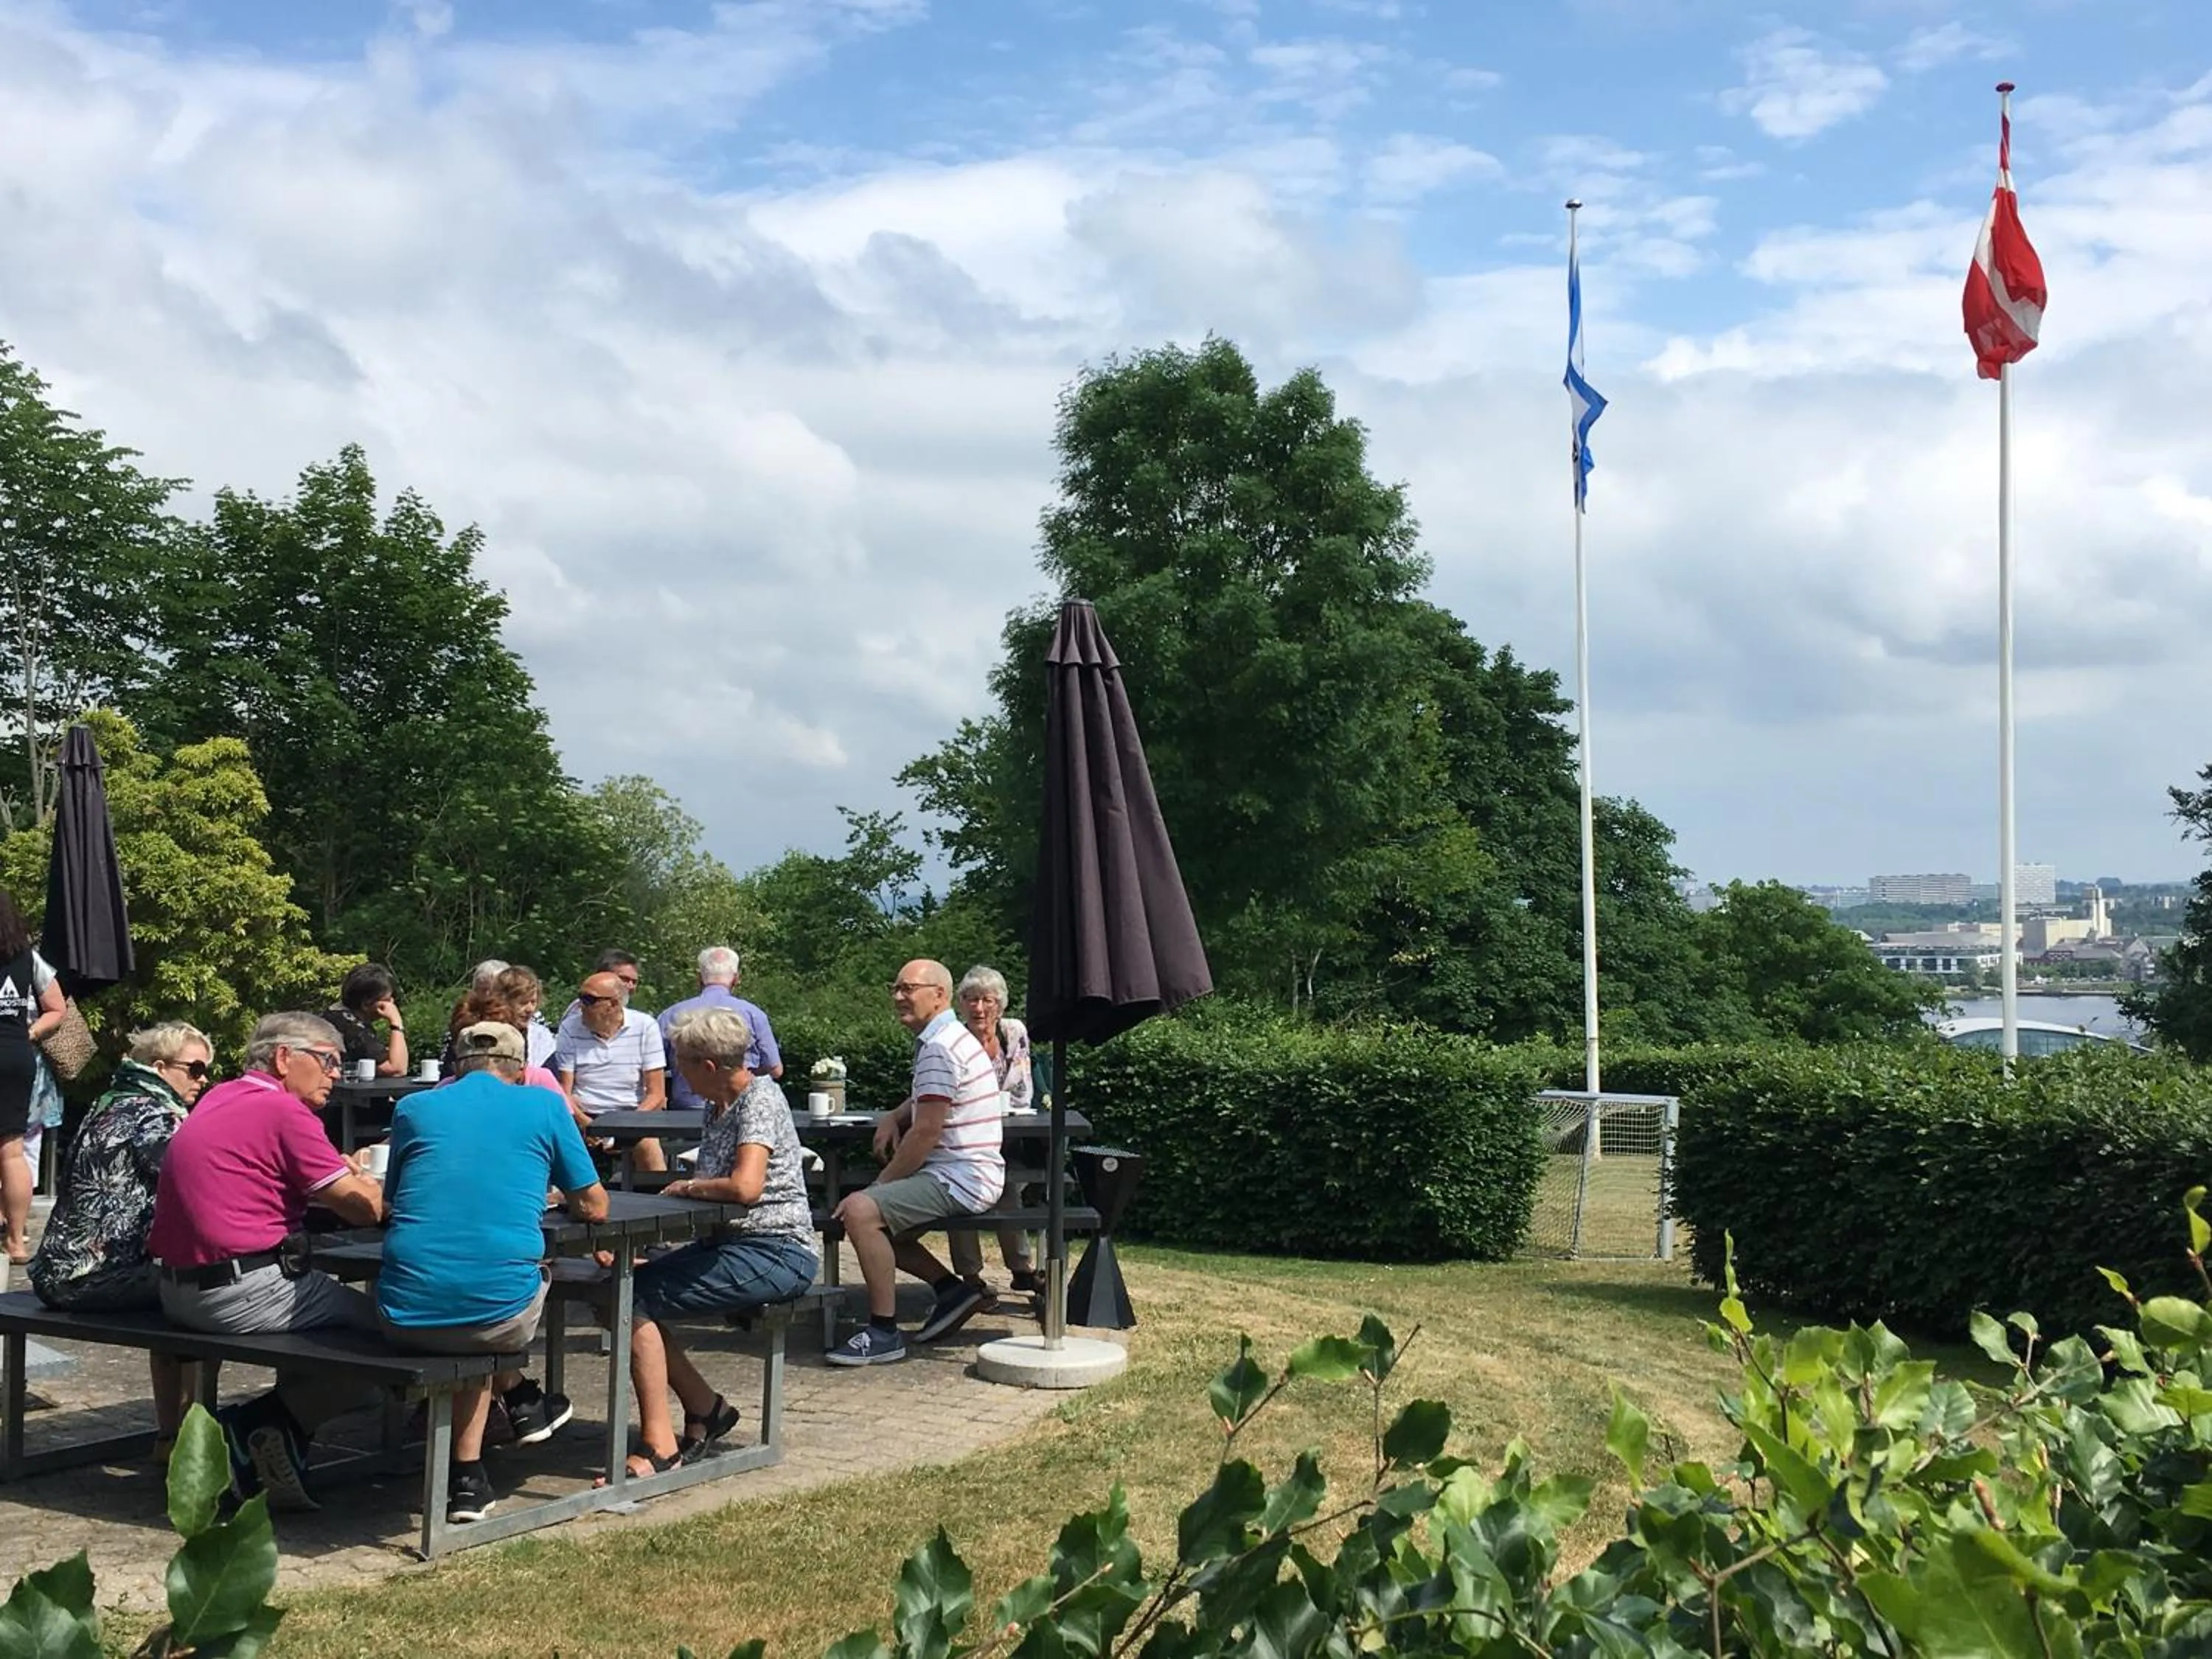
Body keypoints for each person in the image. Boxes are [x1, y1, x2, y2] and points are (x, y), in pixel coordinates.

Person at [149, 1012, 387, 1510]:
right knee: (395, 1337)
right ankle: (251, 1430)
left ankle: (281, 1443)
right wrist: (370, 1181)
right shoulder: (286, 1113)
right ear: (284, 1058)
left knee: (331, 1322)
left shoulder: (220, 1097)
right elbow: (363, 1211)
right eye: (327, 1061)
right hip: (239, 1292)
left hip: (178, 1289)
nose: (336, 1074)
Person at [378, 1022, 607, 1524]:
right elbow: (594, 1206)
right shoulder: (544, 1105)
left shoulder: (413, 1109)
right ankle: (500, 1424)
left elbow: (392, 1199)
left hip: (400, 1310)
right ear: (523, 1070)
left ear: (456, 1069)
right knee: (485, 1304)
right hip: (492, 1314)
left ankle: (494, 1444)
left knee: (464, 1290)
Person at [612, 1006, 816, 1476]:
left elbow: (746, 1188)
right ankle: (706, 1409)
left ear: (707, 1066)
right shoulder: (717, 1104)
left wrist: (690, 1186)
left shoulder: (759, 1100)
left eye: (680, 1061)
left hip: (777, 1249)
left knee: (633, 1299)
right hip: (730, 1244)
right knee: (617, 1290)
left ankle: (661, 1446)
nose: (675, 1073)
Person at [30, 1022, 214, 1457]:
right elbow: (194, 1182)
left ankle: (172, 1435)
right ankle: (186, 1439)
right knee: (204, 1292)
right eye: (196, 1068)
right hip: (99, 1275)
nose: (204, 1079)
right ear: (160, 1067)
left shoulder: (109, 1102)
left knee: (179, 1285)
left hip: (58, 1270)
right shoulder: (155, 1114)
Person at [827, 960, 1004, 1366]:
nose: (898, 997)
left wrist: (878, 1190)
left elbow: (925, 1134)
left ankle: (884, 1332)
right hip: (971, 1172)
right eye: (896, 988)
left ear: (940, 995)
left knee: (860, 1212)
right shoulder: (952, 1040)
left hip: (963, 1178)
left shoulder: (940, 1048)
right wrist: (894, 1114)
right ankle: (953, 1292)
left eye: (909, 989)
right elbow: (932, 1098)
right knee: (878, 1222)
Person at [947, 965, 1043, 1298]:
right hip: (965, 1135)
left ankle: (1021, 1269)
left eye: (987, 1000)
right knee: (958, 1191)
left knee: (1009, 1189)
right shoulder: (952, 1040)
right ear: (960, 1004)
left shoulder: (1013, 1032)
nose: (979, 1008)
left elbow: (1022, 1087)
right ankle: (970, 1277)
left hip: (1007, 1132)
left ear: (999, 1005)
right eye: (971, 1000)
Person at [0, 886, 68, 1265]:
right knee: (12, 1151)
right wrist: (28, 1033)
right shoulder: (26, 958)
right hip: (15, 1055)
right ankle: (16, 1241)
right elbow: (56, 1008)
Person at [556, 970, 668, 1170]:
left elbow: (656, 1093)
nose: (581, 1005)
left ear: (614, 1004)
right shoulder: (569, 1028)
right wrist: (588, 1124)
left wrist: (624, 1128)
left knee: (649, 1149)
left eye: (589, 1000)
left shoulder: (645, 1027)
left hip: (634, 1115)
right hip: (584, 1115)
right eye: (581, 997)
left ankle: (658, 1197)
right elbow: (565, 1091)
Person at [658, 947, 784, 1110]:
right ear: (736, 979)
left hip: (685, 1110)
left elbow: (655, 1067)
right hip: (738, 1106)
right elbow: (776, 1070)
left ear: (699, 978)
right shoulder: (754, 1015)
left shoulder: (671, 1015)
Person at [323, 962, 409, 1077]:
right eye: (387, 999)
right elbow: (397, 1069)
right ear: (366, 1004)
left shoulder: (336, 1014)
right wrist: (396, 1023)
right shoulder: (352, 1028)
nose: (392, 1004)